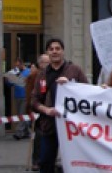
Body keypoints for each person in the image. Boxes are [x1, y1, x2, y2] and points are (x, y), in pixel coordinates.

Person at [31, 38, 88, 173]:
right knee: (45, 162)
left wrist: (70, 84)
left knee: (75, 163)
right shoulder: (42, 75)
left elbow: (87, 92)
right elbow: (34, 101)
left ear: (63, 51)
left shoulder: (74, 70)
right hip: (49, 125)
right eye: (51, 49)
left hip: (72, 126)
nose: (54, 51)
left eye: (57, 48)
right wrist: (46, 110)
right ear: (47, 52)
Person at [25, 54, 49, 171]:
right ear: (40, 64)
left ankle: (47, 159)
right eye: (45, 62)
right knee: (39, 136)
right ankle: (36, 161)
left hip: (49, 110)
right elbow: (30, 94)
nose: (48, 65)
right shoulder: (34, 76)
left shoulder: (51, 75)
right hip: (37, 110)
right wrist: (31, 108)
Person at [6, 59, 30, 140]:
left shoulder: (28, 72)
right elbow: (10, 84)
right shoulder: (15, 72)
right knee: (21, 114)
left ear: (22, 64)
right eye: (16, 65)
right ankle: (26, 132)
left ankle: (19, 132)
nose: (17, 67)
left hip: (25, 95)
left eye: (18, 65)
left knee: (21, 114)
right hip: (17, 95)